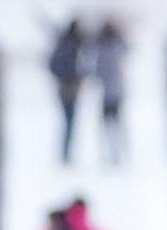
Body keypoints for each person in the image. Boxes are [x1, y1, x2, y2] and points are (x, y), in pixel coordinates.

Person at [89, 16, 130, 165]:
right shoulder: (117, 47)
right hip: (118, 91)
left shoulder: (101, 50)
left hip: (107, 92)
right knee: (117, 122)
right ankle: (117, 151)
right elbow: (128, 49)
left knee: (107, 123)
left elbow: (96, 71)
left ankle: (109, 151)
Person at [48, 16, 89, 165]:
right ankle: (66, 153)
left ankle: (66, 153)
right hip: (69, 87)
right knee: (69, 121)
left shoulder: (64, 43)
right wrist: (72, 76)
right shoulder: (72, 46)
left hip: (66, 87)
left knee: (68, 121)